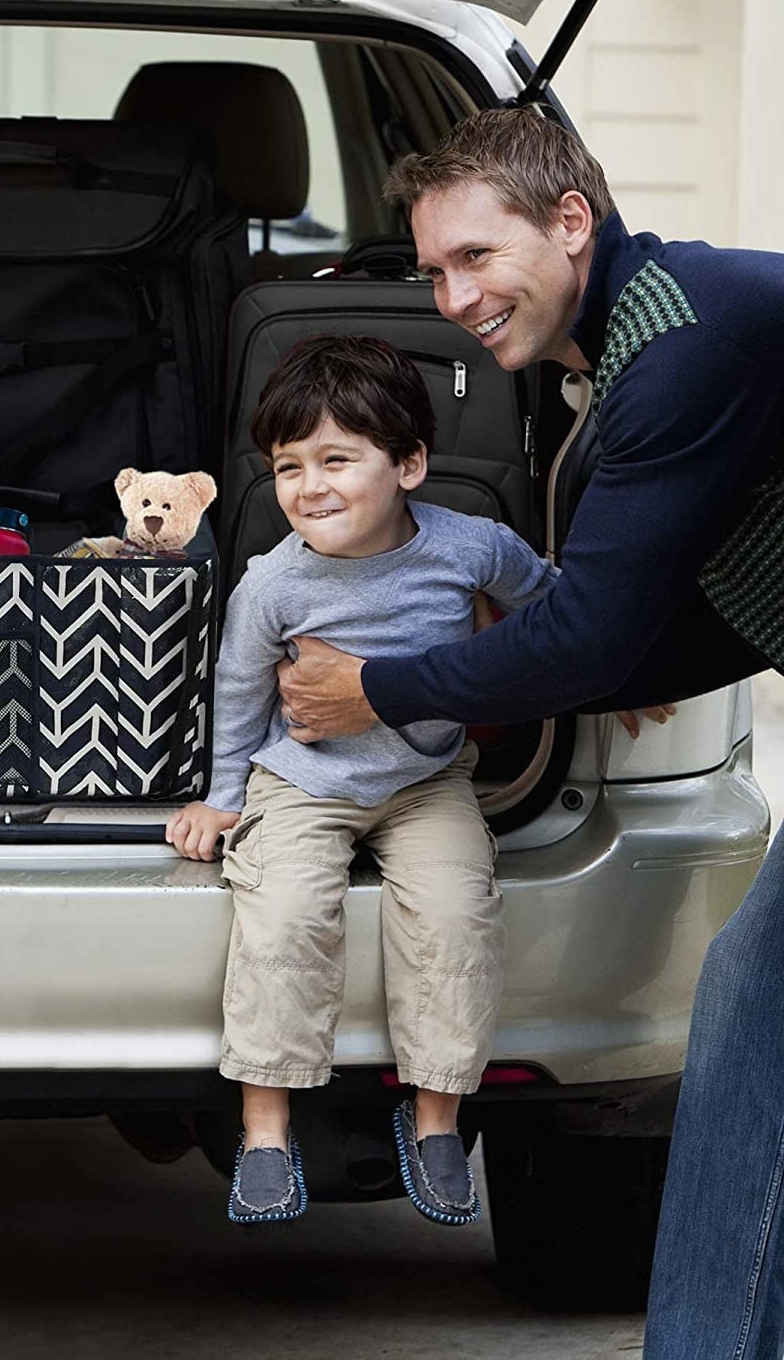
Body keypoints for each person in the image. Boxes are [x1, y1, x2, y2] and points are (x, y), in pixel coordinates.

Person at [273, 109, 783, 1358]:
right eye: (433, 270)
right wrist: (614, 655)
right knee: (752, 1012)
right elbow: (689, 612)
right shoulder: (653, 331)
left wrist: (375, 690)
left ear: (571, 222)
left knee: (756, 1024)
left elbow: (591, 643)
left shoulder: (680, 352)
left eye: (474, 259)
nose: (451, 298)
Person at [166, 333, 559, 1225]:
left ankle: (437, 1121)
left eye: (337, 459)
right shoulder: (271, 584)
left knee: (457, 915)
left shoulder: (472, 547)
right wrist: (224, 798)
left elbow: (549, 601)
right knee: (285, 918)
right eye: (289, 466)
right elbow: (234, 694)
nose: (310, 486)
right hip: (303, 778)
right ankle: (265, 1133)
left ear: (410, 463)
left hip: (428, 780)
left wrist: (618, 675)